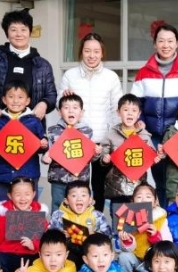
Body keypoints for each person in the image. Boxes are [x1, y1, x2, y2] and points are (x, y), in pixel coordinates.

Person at [0, 9, 57, 210]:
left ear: (30, 32)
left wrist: (44, 103)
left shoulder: (42, 65)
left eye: (23, 29)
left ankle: (26, 226)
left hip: (29, 133)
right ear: (7, 32)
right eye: (13, 29)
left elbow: (51, 94)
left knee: (27, 182)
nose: (19, 34)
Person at [131, 23, 178, 207]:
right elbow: (135, 103)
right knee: (162, 183)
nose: (166, 45)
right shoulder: (143, 73)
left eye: (170, 41)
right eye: (161, 41)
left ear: (177, 43)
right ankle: (164, 219)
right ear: (155, 44)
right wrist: (140, 124)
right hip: (154, 136)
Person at [58, 32, 123, 212]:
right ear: (81, 52)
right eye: (87, 51)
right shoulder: (70, 75)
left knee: (100, 186)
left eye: (96, 51)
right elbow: (60, 105)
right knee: (77, 187)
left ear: (102, 53)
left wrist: (114, 137)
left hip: (103, 140)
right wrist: (63, 98)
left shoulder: (111, 77)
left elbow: (117, 108)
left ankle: (97, 221)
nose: (91, 55)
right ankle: (76, 223)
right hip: (76, 140)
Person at [0, 80, 47, 203]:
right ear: (4, 100)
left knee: (28, 207)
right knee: (3, 208)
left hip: (28, 173)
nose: (15, 101)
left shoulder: (34, 122)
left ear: (27, 101)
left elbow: (42, 145)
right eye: (11, 96)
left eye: (20, 97)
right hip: (4, 175)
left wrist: (43, 145)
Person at [101, 93, 158, 217]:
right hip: (117, 187)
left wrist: (156, 158)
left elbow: (152, 155)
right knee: (118, 220)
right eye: (126, 110)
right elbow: (103, 154)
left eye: (134, 110)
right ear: (118, 112)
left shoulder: (144, 135)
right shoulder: (112, 134)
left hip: (138, 187)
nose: (130, 113)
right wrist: (105, 159)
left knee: (138, 220)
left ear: (139, 114)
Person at [42, 94, 100, 212]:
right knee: (58, 207)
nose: (71, 110)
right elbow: (49, 152)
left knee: (80, 210)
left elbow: (90, 158)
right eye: (66, 107)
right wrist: (45, 158)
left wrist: (96, 153)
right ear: (59, 112)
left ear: (81, 112)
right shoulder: (53, 131)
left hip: (80, 180)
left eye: (75, 107)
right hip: (59, 179)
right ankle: (57, 225)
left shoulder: (87, 132)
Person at [0, 176, 48, 272]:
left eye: (27, 194)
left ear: (34, 194)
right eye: (18, 195)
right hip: (7, 255)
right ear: (10, 195)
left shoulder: (39, 214)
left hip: (30, 256)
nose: (23, 198)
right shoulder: (3, 214)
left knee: (44, 261)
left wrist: (34, 245)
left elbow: (46, 240)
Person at [48, 180, 111, 269]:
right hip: (68, 251)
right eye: (74, 196)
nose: (79, 199)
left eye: (83, 195)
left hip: (90, 251)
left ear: (90, 200)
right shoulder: (58, 215)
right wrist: (61, 235)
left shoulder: (97, 215)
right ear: (66, 201)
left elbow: (107, 235)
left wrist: (94, 235)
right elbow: (50, 236)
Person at [118, 182, 172, 272]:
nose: (143, 200)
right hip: (136, 258)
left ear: (155, 202)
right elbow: (123, 248)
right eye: (139, 197)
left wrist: (155, 236)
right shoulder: (127, 219)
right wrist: (127, 241)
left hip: (155, 260)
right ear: (133, 202)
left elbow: (168, 244)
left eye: (148, 197)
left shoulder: (161, 219)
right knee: (123, 256)